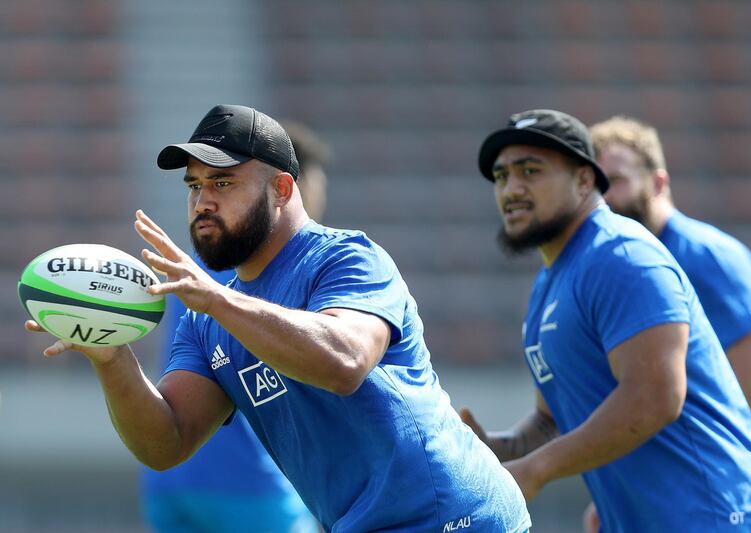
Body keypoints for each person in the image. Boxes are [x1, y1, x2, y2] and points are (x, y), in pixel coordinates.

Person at [25, 104, 531, 532]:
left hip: (458, 517)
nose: (202, 201)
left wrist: (218, 301)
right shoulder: (205, 316)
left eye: (222, 181)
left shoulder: (346, 258)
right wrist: (112, 357)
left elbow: (344, 361)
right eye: (194, 186)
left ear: (283, 189)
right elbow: (168, 441)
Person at [460, 108, 751, 531]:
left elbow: (654, 398)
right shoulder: (551, 281)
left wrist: (535, 470)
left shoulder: (623, 255)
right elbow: (552, 420)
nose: (512, 189)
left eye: (530, 170)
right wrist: (498, 449)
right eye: (502, 176)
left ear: (583, 180)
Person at [587, 115, 751, 530]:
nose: (607, 198)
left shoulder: (704, 255)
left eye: (618, 180)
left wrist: (699, 470)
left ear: (660, 183)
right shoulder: (626, 266)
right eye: (597, 186)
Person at [139, 121, 330, 533]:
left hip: (171, 481)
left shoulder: (198, 261)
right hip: (250, 483)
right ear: (284, 186)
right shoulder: (256, 266)